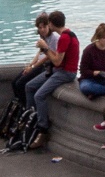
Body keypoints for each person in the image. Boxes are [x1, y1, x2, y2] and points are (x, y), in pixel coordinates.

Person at [23, 10, 79, 149]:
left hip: (65, 73)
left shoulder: (64, 38)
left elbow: (57, 61)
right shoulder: (67, 35)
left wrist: (45, 48)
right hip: (57, 70)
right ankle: (31, 117)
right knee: (29, 86)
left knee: (39, 95)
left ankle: (42, 129)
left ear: (52, 24)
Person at [78, 22, 105, 99]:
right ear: (98, 37)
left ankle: (97, 93)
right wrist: (96, 72)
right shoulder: (89, 50)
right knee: (85, 87)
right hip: (89, 79)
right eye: (104, 38)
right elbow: (83, 70)